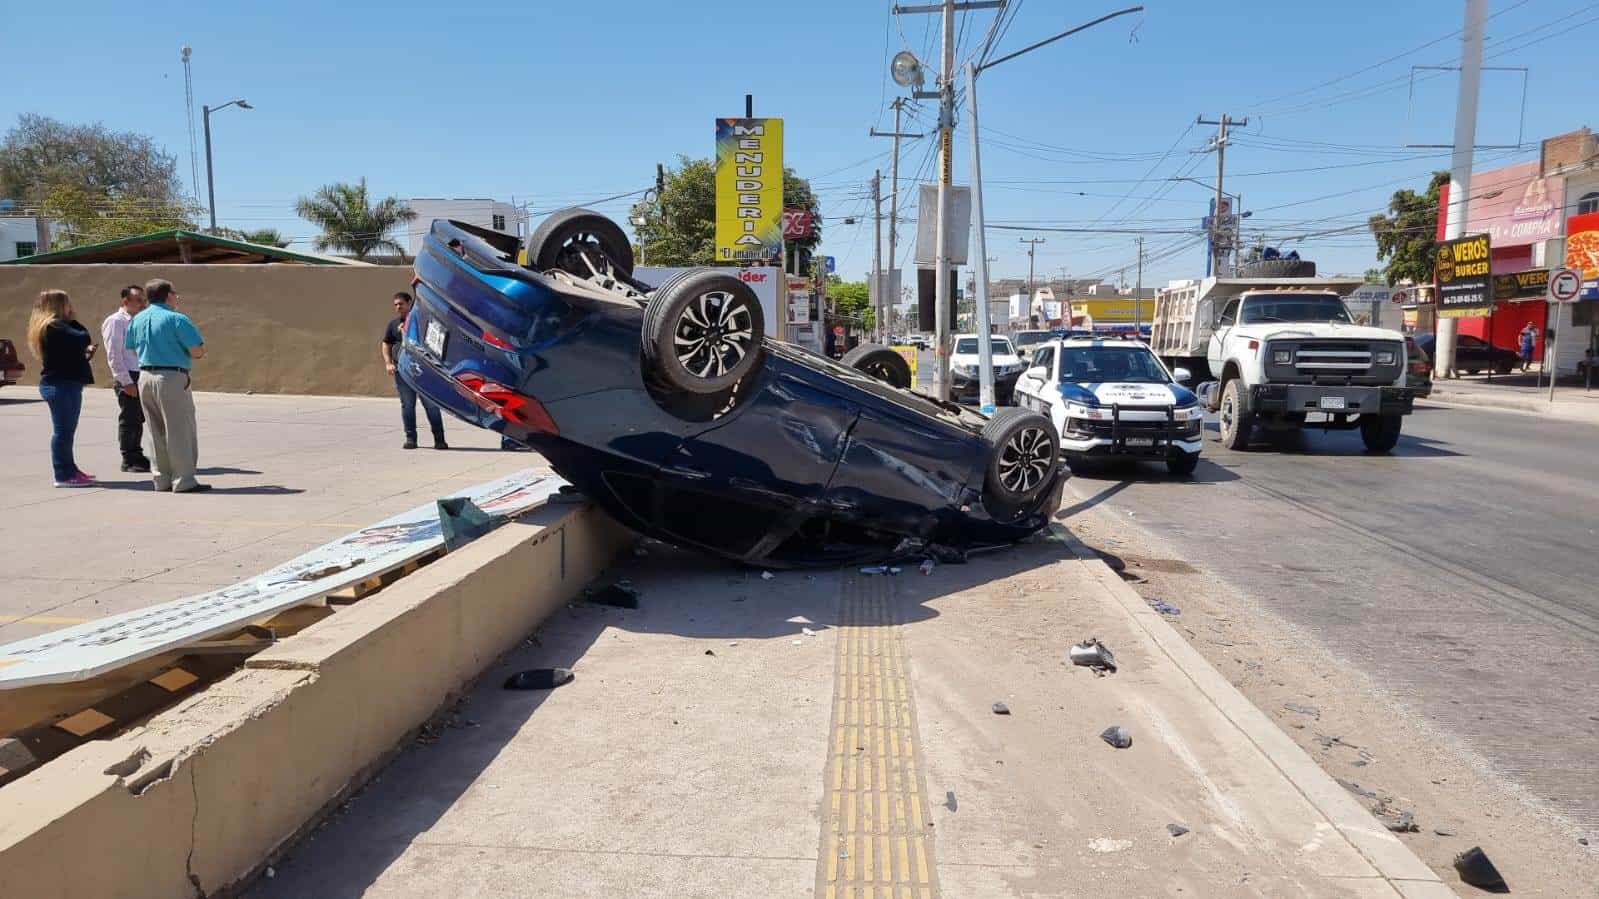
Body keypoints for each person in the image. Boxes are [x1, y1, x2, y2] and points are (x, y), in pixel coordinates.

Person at [125, 278, 210, 493]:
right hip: (171, 377)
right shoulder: (176, 319)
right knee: (179, 429)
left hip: (145, 375)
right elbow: (197, 350)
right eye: (175, 293)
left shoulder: (137, 319)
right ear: (168, 295)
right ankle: (184, 480)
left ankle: (161, 479)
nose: (177, 297)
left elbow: (132, 349)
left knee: (155, 431)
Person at [26, 290, 98, 487]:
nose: (71, 306)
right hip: (60, 385)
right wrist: (72, 319)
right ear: (58, 305)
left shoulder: (57, 327)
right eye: (67, 303)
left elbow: (72, 349)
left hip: (66, 384)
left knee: (67, 431)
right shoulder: (53, 326)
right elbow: (82, 337)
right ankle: (63, 475)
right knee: (63, 432)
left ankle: (71, 469)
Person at [382, 291, 447, 450]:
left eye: (401, 304)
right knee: (407, 405)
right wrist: (388, 363)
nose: (398, 307)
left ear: (409, 302)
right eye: (396, 305)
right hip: (402, 372)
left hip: (425, 373)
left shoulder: (423, 321)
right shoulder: (393, 324)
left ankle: (439, 440)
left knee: (431, 405)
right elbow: (386, 344)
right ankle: (411, 439)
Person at [101, 285, 152, 473]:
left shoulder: (138, 319)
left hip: (141, 372)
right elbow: (114, 354)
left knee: (139, 418)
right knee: (130, 418)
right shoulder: (115, 322)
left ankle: (137, 453)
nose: (142, 304)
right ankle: (129, 458)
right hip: (128, 374)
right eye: (138, 300)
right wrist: (125, 381)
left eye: (144, 300)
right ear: (125, 301)